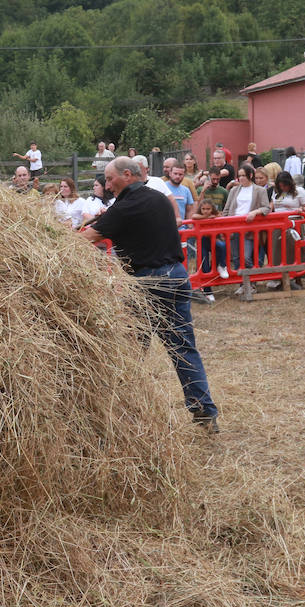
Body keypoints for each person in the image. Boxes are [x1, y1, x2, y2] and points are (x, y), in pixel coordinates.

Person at [81, 158, 219, 432]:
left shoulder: (125, 208)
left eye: (110, 179)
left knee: (130, 350)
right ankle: (204, 409)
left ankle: (121, 411)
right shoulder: (158, 198)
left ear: (128, 175)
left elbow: (84, 238)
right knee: (183, 348)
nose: (107, 185)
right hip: (177, 276)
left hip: (148, 282)